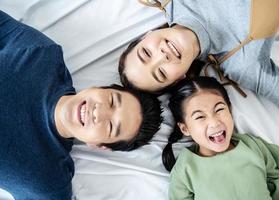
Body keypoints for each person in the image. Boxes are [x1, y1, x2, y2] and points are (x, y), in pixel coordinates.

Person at [0, 10, 162, 199]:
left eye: (111, 126)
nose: (99, 113)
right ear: (99, 88)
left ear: (100, 145)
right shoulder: (43, 55)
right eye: (110, 100)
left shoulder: (50, 182)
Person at [118, 0, 279, 155]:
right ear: (179, 79)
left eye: (146, 53)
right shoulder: (242, 64)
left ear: (146, 35)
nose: (162, 56)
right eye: (161, 73)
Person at [162, 76, 279, 200]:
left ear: (230, 110)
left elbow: (276, 181)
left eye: (219, 109)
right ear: (185, 128)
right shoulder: (185, 169)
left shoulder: (252, 146)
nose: (215, 122)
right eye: (200, 117)